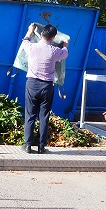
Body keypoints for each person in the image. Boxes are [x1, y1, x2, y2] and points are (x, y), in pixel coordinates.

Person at [20, 23, 69, 154]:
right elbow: (65, 53)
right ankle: (41, 146)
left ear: (41, 34)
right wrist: (65, 46)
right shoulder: (55, 51)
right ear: (53, 38)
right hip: (47, 86)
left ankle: (27, 145)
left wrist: (30, 31)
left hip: (32, 84)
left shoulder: (31, 47)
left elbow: (24, 41)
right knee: (44, 116)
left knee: (30, 115)